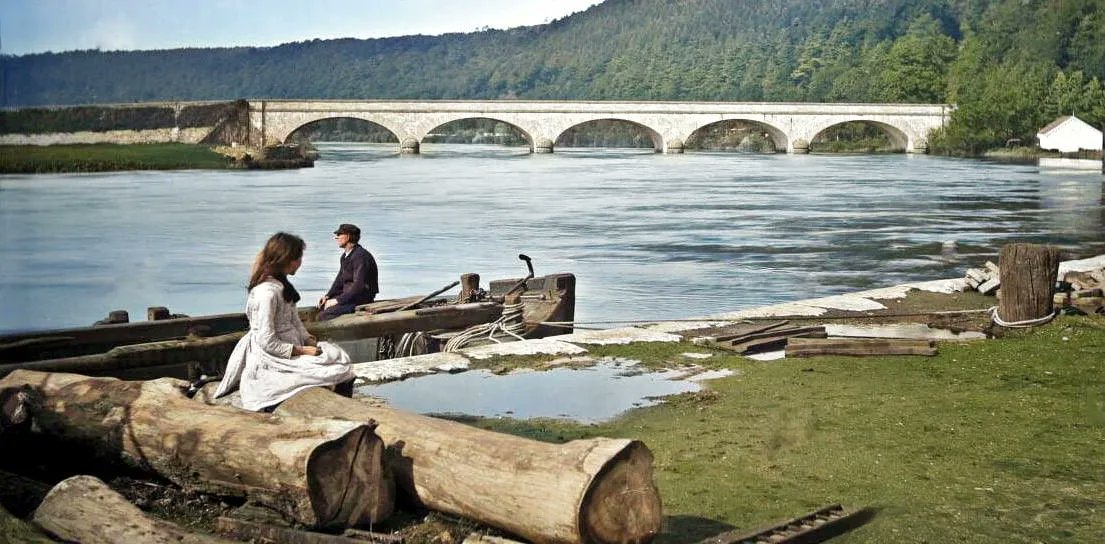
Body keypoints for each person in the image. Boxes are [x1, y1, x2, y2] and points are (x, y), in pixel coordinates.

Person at [214, 232, 355, 411]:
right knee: (337, 370)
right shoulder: (267, 293)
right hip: (273, 357)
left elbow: (295, 321)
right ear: (287, 260)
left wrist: (308, 339)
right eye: (299, 258)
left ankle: (343, 412)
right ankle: (339, 413)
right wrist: (301, 350)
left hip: (292, 349)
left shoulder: (281, 287)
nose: (301, 262)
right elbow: (266, 341)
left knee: (339, 358)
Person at [317, 223, 378, 321]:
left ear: (348, 236)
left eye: (339, 235)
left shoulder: (361, 257)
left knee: (324, 315)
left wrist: (337, 300)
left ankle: (337, 335)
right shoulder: (345, 256)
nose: (336, 238)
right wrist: (328, 296)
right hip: (350, 297)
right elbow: (340, 280)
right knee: (321, 307)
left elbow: (359, 286)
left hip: (361, 300)